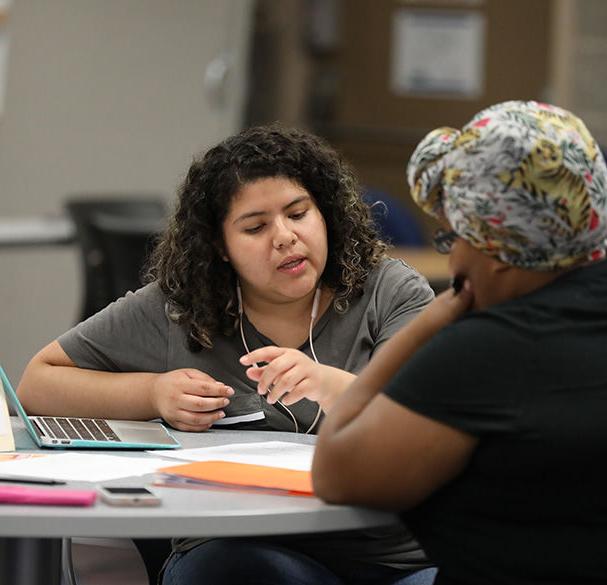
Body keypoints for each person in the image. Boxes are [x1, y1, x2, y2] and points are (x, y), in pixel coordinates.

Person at [312, 100, 607, 584]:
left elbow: (336, 470)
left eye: (453, 240)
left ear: (497, 250)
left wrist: (433, 321)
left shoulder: (494, 347)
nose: (453, 266)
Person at [17, 125, 436, 585]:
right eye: (255, 227)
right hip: (247, 550)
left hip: (386, 555)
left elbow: (419, 422)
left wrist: (330, 385)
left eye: (299, 213)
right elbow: (38, 382)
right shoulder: (182, 305)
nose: (285, 237)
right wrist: (152, 393)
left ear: (326, 214)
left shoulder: (390, 291)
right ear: (219, 246)